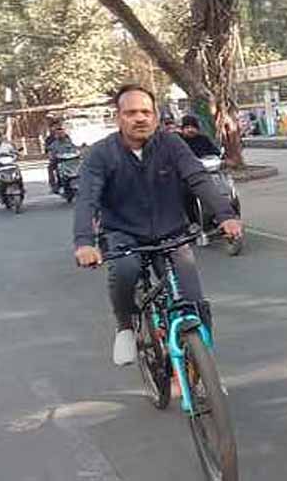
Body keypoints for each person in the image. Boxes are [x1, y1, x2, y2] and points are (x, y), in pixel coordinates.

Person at [73, 84, 244, 366]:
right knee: (125, 271)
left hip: (171, 233)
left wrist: (225, 215)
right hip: (124, 234)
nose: (140, 118)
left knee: (194, 302)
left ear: (155, 116)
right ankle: (125, 327)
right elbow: (87, 199)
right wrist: (84, 243)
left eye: (146, 112)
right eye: (131, 113)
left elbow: (198, 178)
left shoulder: (171, 144)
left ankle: (203, 368)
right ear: (118, 117)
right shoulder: (101, 154)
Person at [44, 119, 79, 193]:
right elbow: (48, 150)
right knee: (51, 168)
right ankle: (54, 185)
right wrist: (51, 155)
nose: (58, 129)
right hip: (57, 159)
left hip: (69, 158)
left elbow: (72, 146)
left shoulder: (67, 137)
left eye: (60, 128)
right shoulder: (49, 139)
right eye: (55, 127)